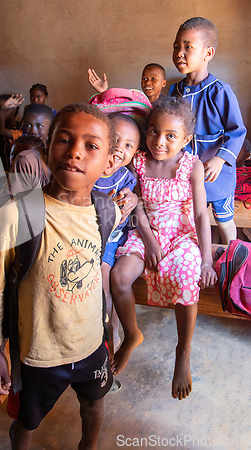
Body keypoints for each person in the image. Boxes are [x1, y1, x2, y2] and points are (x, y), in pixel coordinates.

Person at [0, 102, 121, 449]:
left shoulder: (108, 212)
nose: (74, 152)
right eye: (64, 140)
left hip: (90, 345)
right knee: (26, 423)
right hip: (39, 354)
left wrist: (107, 333)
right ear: (46, 150)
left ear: (109, 163)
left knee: (94, 404)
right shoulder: (17, 216)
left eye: (91, 146)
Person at [110, 96, 217, 400]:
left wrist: (206, 260)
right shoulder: (139, 161)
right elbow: (138, 206)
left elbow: (199, 214)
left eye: (171, 136)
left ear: (187, 139)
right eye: (154, 131)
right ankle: (132, 334)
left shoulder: (191, 166)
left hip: (181, 234)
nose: (159, 141)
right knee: (119, 276)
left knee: (186, 278)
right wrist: (149, 239)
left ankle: (183, 351)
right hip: (147, 231)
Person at [169, 17, 246, 244]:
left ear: (208, 53)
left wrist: (221, 159)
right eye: (176, 47)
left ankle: (232, 258)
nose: (179, 53)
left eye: (187, 47)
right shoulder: (175, 91)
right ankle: (202, 262)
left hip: (216, 174)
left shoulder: (220, 91)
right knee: (192, 219)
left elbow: (237, 130)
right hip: (186, 173)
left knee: (224, 221)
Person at [92, 113, 141, 353]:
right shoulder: (88, 169)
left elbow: (126, 214)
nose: (119, 149)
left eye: (128, 145)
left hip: (111, 238)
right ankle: (102, 331)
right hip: (88, 236)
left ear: (134, 153)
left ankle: (111, 331)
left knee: (105, 277)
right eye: (115, 140)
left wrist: (130, 201)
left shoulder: (126, 178)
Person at [88, 65, 167, 104]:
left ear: (163, 83)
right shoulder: (136, 103)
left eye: (153, 79)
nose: (148, 82)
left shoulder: (167, 106)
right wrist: (103, 92)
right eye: (144, 79)